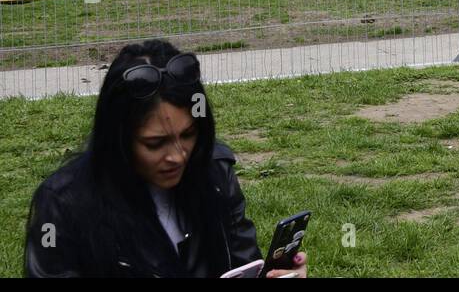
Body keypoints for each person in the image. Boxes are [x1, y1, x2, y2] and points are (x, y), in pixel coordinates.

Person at [25, 39, 308, 278]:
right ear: (119, 139)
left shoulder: (215, 172)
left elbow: (243, 264)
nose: (177, 156)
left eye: (188, 135)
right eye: (155, 143)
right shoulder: (62, 205)